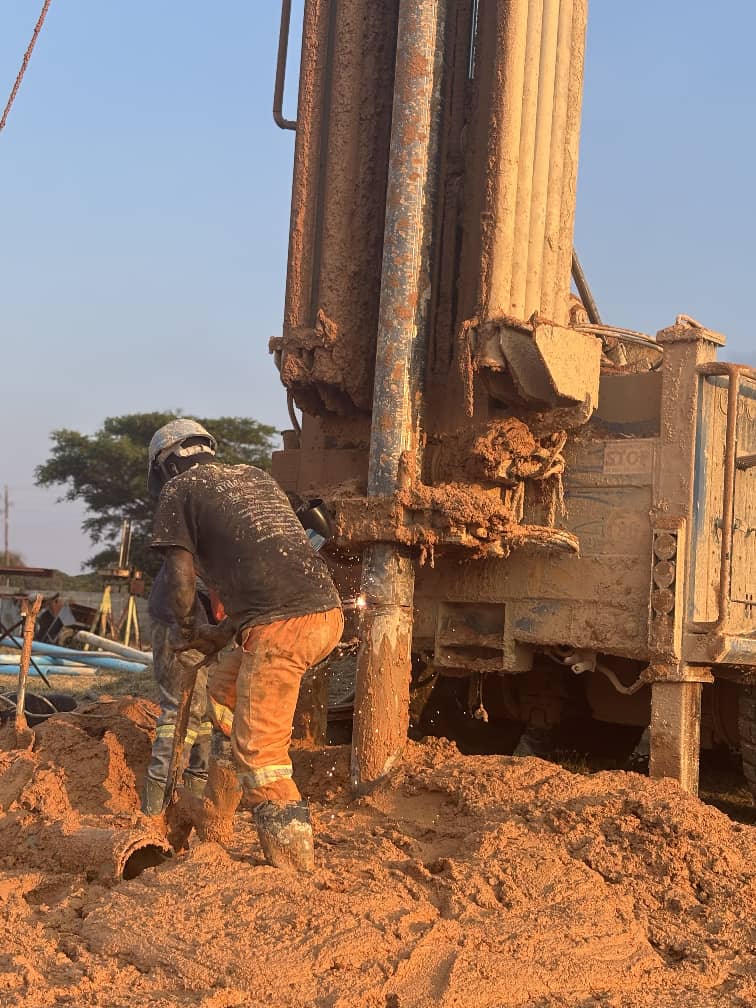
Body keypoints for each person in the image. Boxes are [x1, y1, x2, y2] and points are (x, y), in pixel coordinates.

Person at [147, 419, 343, 871]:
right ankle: (215, 823)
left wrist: (185, 629)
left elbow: (180, 577)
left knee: (261, 755)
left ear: (165, 466)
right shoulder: (255, 478)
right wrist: (217, 637)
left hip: (281, 629)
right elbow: (266, 577)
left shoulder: (179, 489)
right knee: (224, 700)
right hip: (324, 614)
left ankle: (293, 869)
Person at [140, 563, 215, 816]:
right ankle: (156, 812)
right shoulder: (228, 550)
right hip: (179, 618)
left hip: (206, 621)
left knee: (206, 712)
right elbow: (223, 603)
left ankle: (193, 805)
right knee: (181, 709)